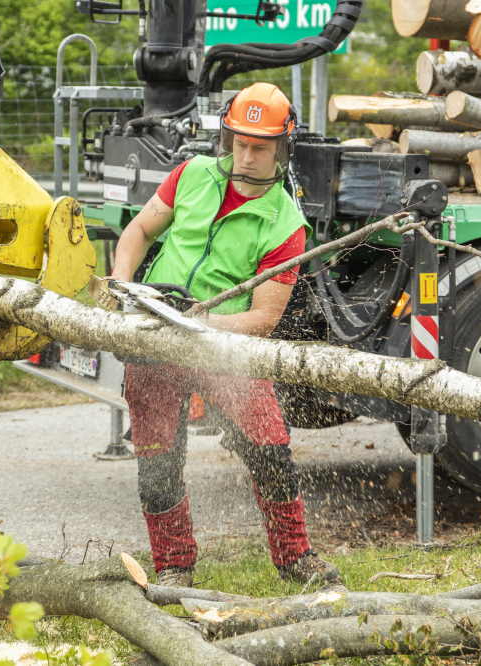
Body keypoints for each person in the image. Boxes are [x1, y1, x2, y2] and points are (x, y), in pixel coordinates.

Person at [108, 82, 342, 590]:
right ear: (227, 137)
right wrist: (124, 288)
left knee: (269, 448)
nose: (248, 155)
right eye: (240, 143)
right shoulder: (191, 175)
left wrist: (197, 323)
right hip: (152, 334)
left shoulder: (285, 222)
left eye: (260, 147)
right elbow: (138, 232)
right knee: (157, 461)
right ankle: (174, 565)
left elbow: (264, 318)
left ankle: (294, 557)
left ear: (283, 147)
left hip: (225, 345)